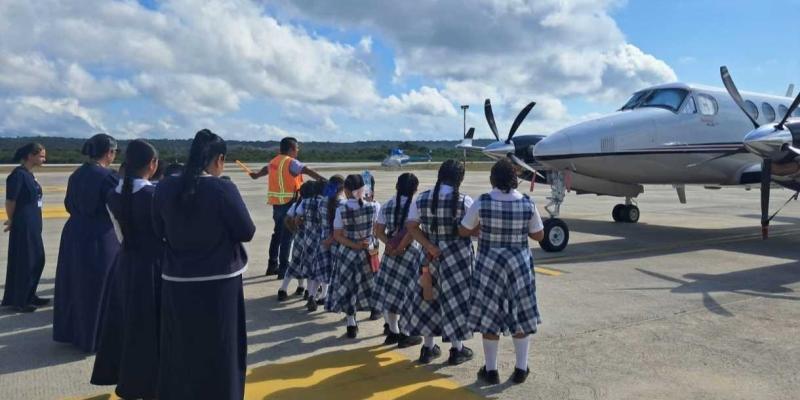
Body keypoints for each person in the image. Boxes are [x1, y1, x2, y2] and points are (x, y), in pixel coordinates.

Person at [153, 129, 255, 400]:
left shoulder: (164, 186)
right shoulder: (222, 188)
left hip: (177, 280)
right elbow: (246, 230)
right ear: (219, 159)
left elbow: (156, 228)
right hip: (219, 282)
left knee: (182, 348)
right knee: (222, 348)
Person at [459, 159, 544, 385]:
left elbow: (464, 230)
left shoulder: (483, 202)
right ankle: (520, 368)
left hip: (489, 266)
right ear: (515, 178)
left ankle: (491, 370)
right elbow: (538, 235)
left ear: (492, 179)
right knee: (520, 317)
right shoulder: (527, 202)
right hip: (518, 266)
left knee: (490, 317)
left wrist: (484, 228)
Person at [91, 140, 161, 398]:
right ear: (152, 164)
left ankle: (129, 380)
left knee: (128, 327)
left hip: (125, 263)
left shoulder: (114, 195)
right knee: (151, 331)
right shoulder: (153, 195)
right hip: (152, 267)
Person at [403, 159, 475, 365]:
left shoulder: (422, 198)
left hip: (429, 257)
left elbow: (411, 226)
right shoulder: (464, 201)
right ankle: (457, 348)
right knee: (456, 302)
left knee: (428, 298)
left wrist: (430, 245)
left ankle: (427, 348)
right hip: (458, 260)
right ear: (459, 178)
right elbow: (470, 228)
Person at [53, 133, 120, 353]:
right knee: (100, 286)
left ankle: (73, 332)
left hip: (74, 231)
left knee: (76, 283)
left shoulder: (76, 174)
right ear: (109, 152)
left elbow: (69, 204)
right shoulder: (108, 176)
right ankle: (96, 336)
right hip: (99, 233)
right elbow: (119, 207)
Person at [249, 137, 325, 278]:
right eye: (296, 148)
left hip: (276, 203)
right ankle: (284, 270)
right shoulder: (291, 162)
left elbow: (266, 169)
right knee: (287, 236)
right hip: (289, 202)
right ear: (291, 149)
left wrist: (256, 175)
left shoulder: (274, 161)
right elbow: (305, 170)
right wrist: (322, 179)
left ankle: (272, 265)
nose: (297, 151)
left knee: (277, 234)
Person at [372, 173, 423, 347]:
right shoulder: (415, 205)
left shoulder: (386, 205)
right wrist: (401, 246)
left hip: (390, 254)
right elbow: (412, 231)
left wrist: (390, 244)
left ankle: (393, 331)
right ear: (415, 189)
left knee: (391, 293)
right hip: (410, 253)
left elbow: (378, 231)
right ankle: (405, 333)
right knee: (409, 295)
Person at [328, 174, 379, 339]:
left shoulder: (341, 209)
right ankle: (384, 319)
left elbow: (337, 235)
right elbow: (377, 230)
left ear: (347, 190)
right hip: (368, 251)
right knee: (370, 285)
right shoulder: (374, 206)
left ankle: (351, 323)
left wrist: (355, 245)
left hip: (348, 254)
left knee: (349, 288)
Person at [2, 143, 47, 313]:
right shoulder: (18, 175)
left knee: (37, 259)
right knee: (26, 261)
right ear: (30, 156)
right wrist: (11, 220)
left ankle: (30, 294)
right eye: (41, 156)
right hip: (24, 224)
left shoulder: (29, 174)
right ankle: (20, 300)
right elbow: (10, 201)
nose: (44, 159)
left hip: (33, 223)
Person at [277, 181, 320, 301]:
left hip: (298, 239)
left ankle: (284, 289)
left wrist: (294, 231)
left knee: (295, 263)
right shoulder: (314, 205)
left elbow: (287, 219)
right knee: (309, 265)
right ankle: (308, 291)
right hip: (311, 240)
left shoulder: (297, 204)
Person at [308, 175, 344, 312]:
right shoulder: (342, 204)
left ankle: (312, 295)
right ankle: (329, 297)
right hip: (337, 240)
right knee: (335, 272)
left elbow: (319, 220)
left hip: (323, 239)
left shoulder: (321, 202)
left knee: (319, 271)